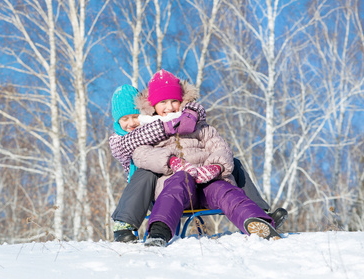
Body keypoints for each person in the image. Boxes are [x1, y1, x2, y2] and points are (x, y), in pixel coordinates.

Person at [109, 84, 287, 243]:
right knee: (151, 174)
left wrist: (215, 166)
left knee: (229, 174)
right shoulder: (142, 133)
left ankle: (259, 219)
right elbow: (141, 152)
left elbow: (219, 146)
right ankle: (140, 227)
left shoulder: (197, 126)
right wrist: (172, 159)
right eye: (124, 119)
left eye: (134, 117)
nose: (131, 123)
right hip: (160, 189)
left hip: (205, 183)